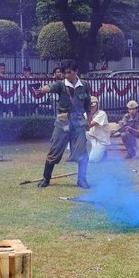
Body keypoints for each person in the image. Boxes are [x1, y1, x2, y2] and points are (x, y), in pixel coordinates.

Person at [35, 59, 91, 189]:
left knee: (82, 153)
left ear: (76, 71)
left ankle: (82, 180)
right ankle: (46, 178)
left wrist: (89, 118)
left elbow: (87, 103)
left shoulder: (85, 85)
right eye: (64, 73)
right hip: (62, 123)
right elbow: (49, 87)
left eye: (69, 72)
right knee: (54, 151)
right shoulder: (60, 85)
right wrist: (42, 90)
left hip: (78, 123)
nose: (66, 75)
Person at [86, 96, 110, 162]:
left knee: (92, 160)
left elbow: (88, 126)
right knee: (77, 134)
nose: (91, 108)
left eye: (93, 106)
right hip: (91, 137)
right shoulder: (85, 114)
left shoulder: (102, 113)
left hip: (101, 140)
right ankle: (75, 154)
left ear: (97, 105)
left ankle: (103, 152)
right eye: (89, 106)